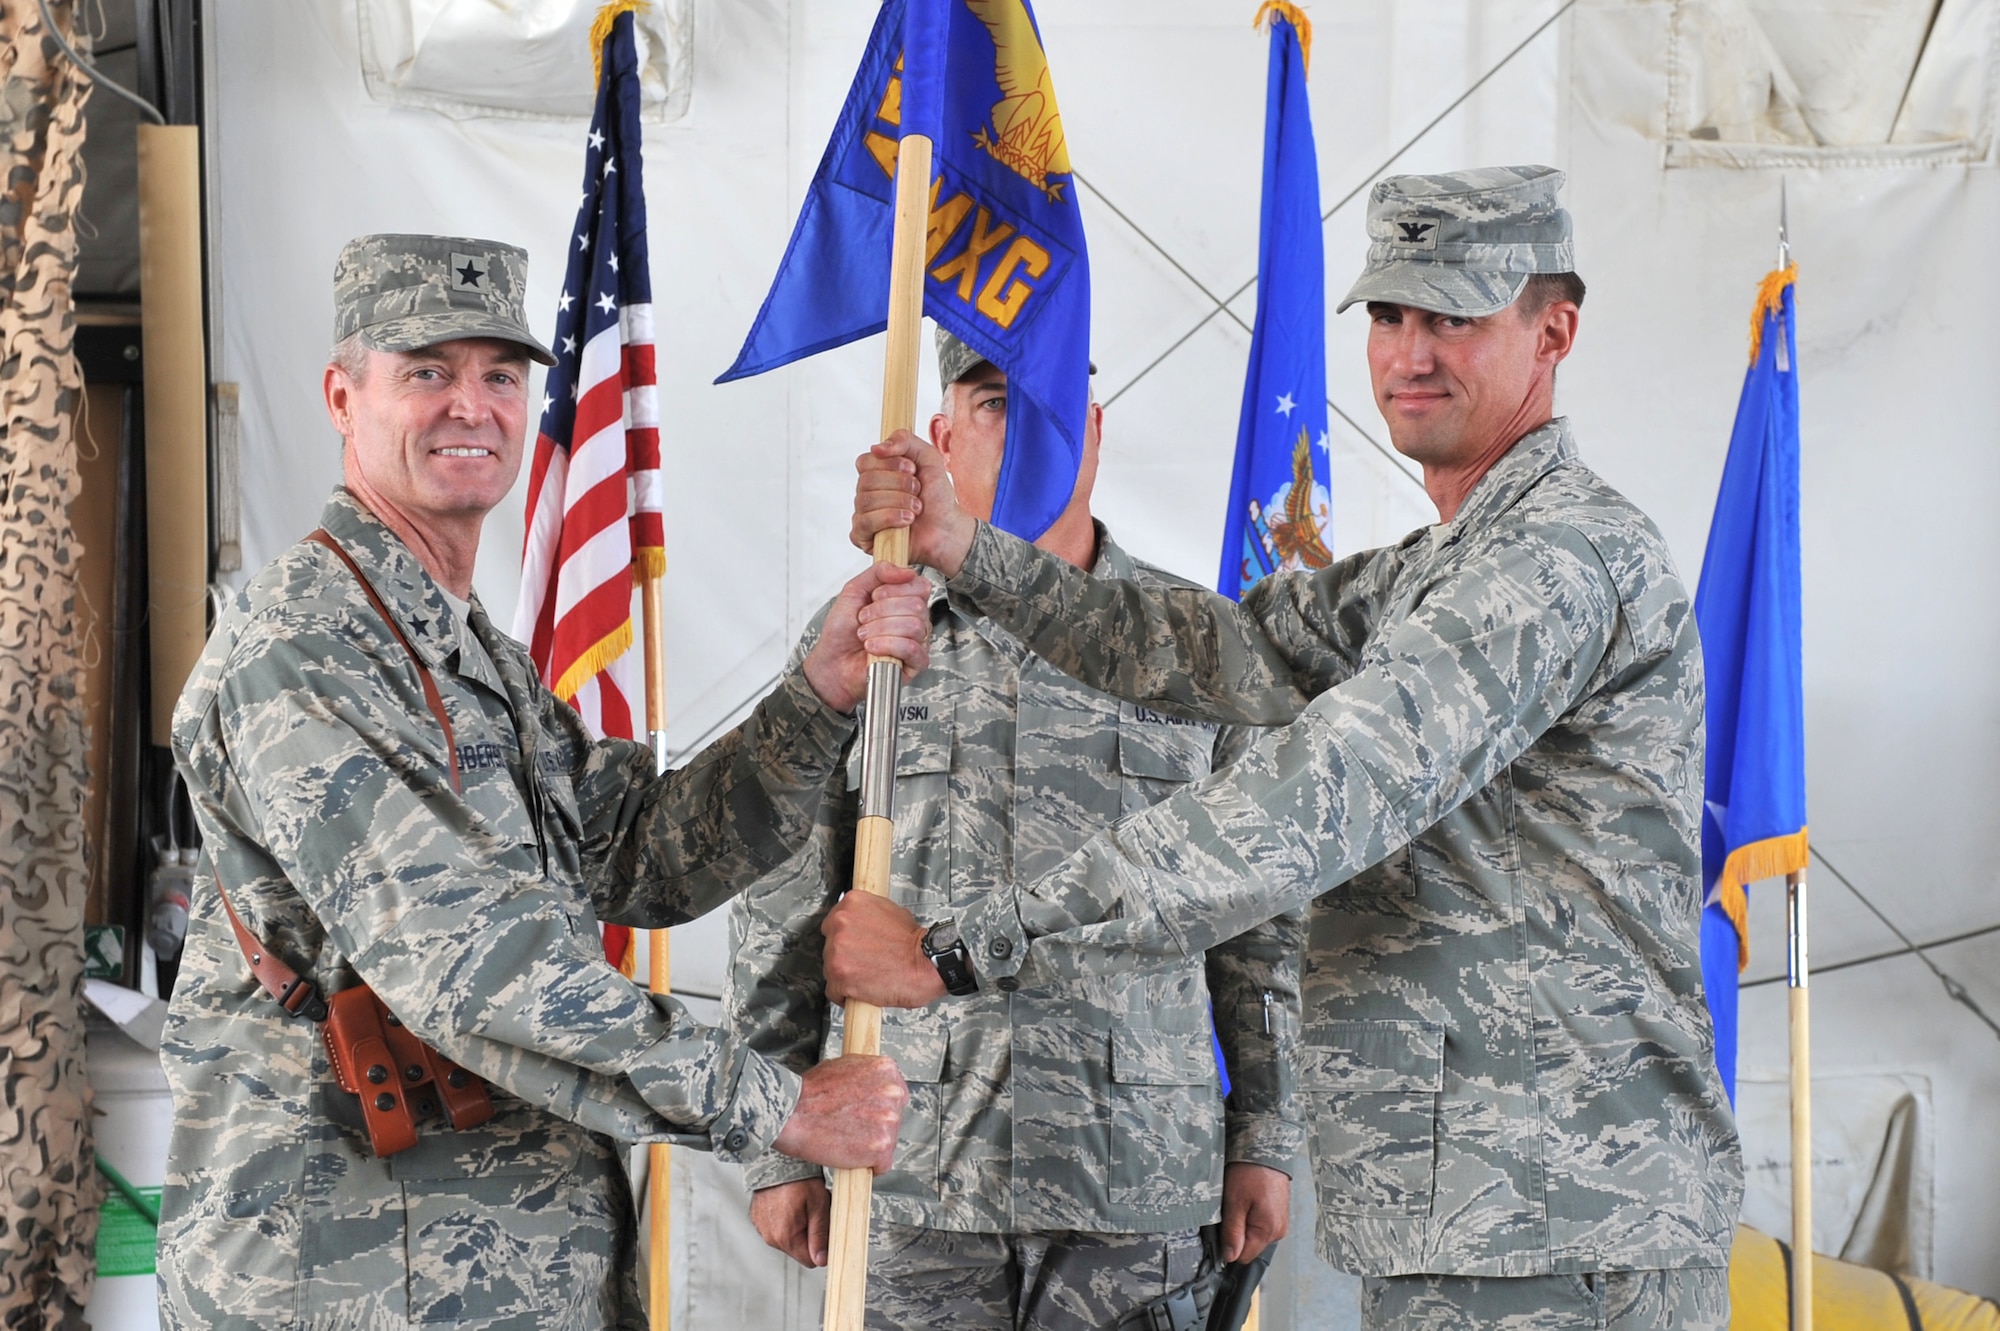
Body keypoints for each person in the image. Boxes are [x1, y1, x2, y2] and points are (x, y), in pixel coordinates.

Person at [824, 168, 1743, 1329]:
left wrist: (958, 948)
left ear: (1551, 329)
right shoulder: (1435, 564)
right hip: (1484, 1220)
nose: (1409, 352)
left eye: (1452, 314)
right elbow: (1216, 648)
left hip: (1563, 1226)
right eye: (1389, 315)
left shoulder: (1550, 563)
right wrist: (972, 551)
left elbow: (1310, 797)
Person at [158, 233, 929, 1329]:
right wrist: (777, 1104)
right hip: (357, 1281)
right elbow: (473, 966)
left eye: (500, 376)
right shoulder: (307, 649)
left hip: (495, 1273)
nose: (470, 405)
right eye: (427, 370)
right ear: (343, 394)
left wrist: (818, 693)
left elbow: (641, 853)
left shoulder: (464, 649)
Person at [725, 331, 1303, 1331]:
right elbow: (778, 895)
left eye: (1046, 398)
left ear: (1091, 427)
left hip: (1133, 1184)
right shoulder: (869, 633)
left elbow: (1259, 915)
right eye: (992, 400)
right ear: (944, 434)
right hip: (913, 1176)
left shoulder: (1192, 643)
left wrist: (1264, 1129)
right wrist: (774, 1141)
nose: (1023, 422)